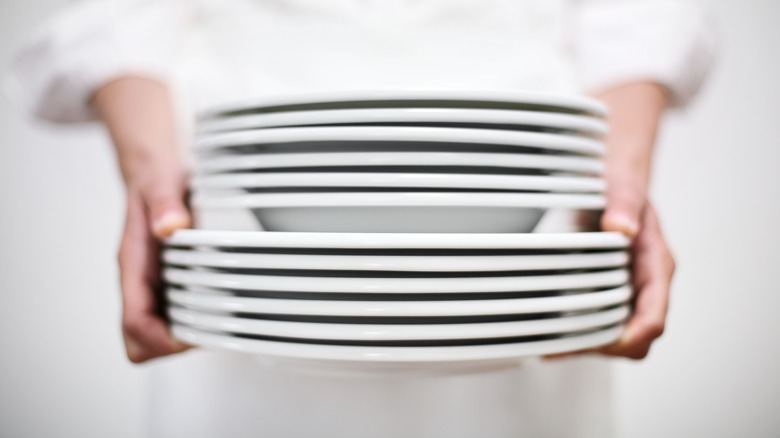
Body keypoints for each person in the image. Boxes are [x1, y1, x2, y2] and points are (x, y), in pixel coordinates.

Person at [11, 0, 715, 436]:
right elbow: (113, 16)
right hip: (256, 184)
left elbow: (636, 15)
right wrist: (149, 173)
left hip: (515, 186)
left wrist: (617, 174)